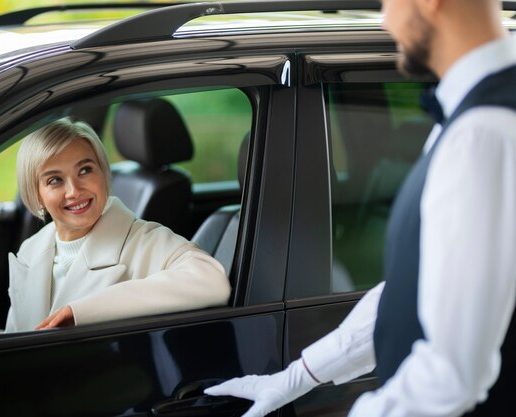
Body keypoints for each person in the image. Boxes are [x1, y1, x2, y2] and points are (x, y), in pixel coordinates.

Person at [205, 0, 516, 416]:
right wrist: (297, 376)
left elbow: (451, 373)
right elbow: (415, 285)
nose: (386, 20)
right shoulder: (470, 122)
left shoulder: (484, 134)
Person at [5, 117, 231, 332]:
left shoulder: (144, 241)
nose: (74, 191)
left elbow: (212, 281)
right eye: (55, 180)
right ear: (36, 194)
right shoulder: (30, 250)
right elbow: (25, 338)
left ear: (102, 173)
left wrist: (82, 312)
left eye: (85, 170)